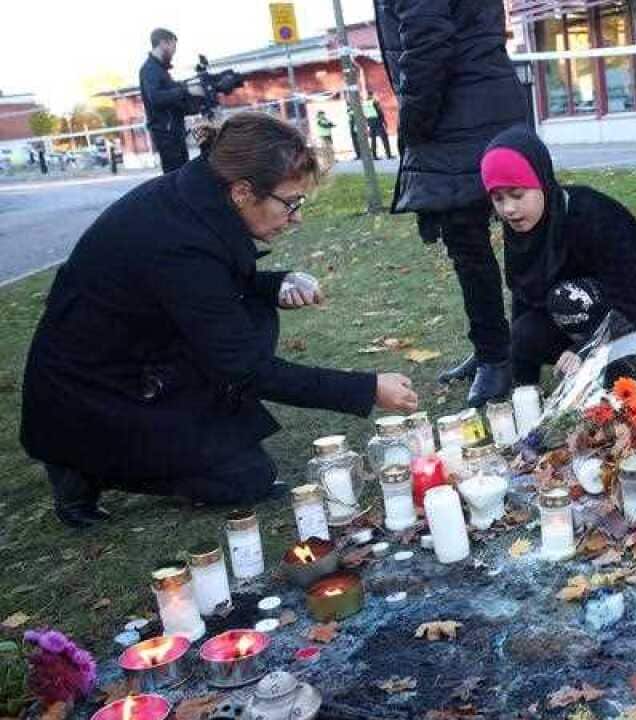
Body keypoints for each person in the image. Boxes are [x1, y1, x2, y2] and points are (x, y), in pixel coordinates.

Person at [20, 112, 419, 529]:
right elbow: (244, 365)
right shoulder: (178, 241)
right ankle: (82, 466)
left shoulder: (197, 199)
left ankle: (196, 425)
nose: (296, 217)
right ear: (243, 192)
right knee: (245, 479)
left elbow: (200, 292)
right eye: (290, 203)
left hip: (143, 356)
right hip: (91, 392)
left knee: (252, 315)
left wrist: (273, 284)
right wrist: (367, 388)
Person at [374, 0, 529, 407]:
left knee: (477, 239)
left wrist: (414, 121)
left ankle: (500, 354)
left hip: (459, 110)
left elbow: (427, 40)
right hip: (474, 102)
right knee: (497, 236)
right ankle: (494, 347)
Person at [481, 128, 636, 386]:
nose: (509, 209)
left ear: (542, 181)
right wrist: (523, 390)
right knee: (525, 330)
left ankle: (624, 373)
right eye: (498, 198)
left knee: (566, 298)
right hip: (582, 309)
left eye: (517, 195)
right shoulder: (520, 225)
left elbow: (631, 291)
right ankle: (592, 369)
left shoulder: (588, 212)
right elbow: (525, 299)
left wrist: (583, 349)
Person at [140, 28, 201, 174]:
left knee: (181, 176)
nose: (174, 52)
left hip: (174, 132)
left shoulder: (161, 71)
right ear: (163, 43)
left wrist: (193, 103)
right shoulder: (149, 69)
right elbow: (155, 98)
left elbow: (173, 101)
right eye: (173, 46)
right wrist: (186, 90)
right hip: (165, 134)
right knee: (175, 178)